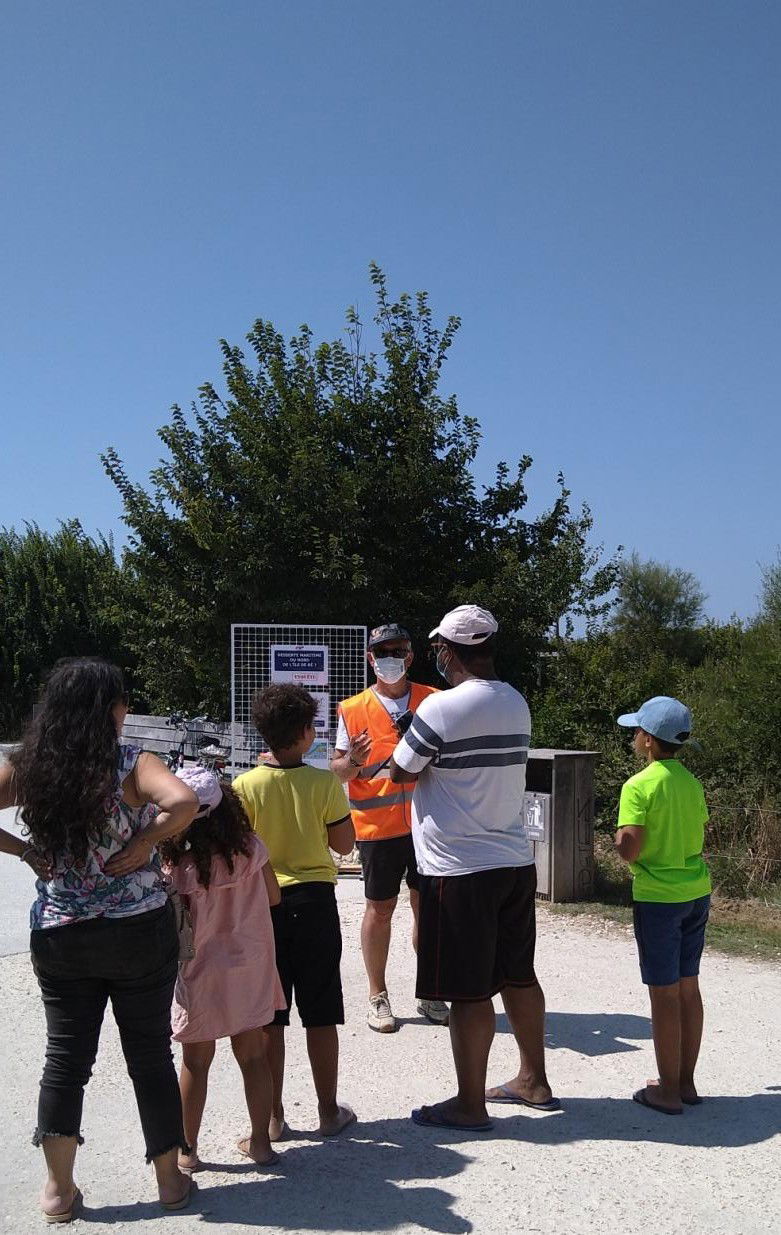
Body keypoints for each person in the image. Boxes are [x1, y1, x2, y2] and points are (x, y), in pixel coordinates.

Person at [0, 658, 199, 1221]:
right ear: (109, 710)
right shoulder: (131, 765)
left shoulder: (27, 768)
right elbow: (184, 802)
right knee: (150, 1057)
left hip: (63, 932)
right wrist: (145, 844)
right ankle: (169, 1185)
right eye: (122, 701)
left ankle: (58, 1193)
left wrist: (25, 853)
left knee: (65, 1060)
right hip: (136, 928)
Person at [389, 605, 558, 1130]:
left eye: (438, 647)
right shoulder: (517, 702)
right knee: (518, 975)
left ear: (448, 651)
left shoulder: (439, 710)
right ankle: (534, 1078)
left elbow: (400, 771)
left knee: (466, 991)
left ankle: (469, 1104)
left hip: (457, 868)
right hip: (512, 859)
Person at [233, 683, 357, 1140]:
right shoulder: (324, 783)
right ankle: (327, 1110)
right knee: (321, 1011)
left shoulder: (243, 786)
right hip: (315, 902)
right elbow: (344, 845)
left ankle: (273, 1116)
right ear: (307, 733)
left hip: (263, 907)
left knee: (271, 1016)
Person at [159, 766, 286, 1170]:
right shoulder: (251, 849)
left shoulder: (177, 865)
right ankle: (262, 1145)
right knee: (252, 1056)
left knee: (195, 1062)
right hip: (250, 966)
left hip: (200, 973)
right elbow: (273, 898)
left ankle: (187, 1150)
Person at [332, 622, 447, 1033]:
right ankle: (377, 995)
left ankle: (431, 991)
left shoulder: (434, 699)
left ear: (411, 655)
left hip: (428, 825)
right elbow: (339, 773)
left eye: (396, 650)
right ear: (369, 658)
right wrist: (354, 763)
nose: (389, 659)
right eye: (381, 652)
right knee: (380, 910)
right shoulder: (352, 708)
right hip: (378, 829)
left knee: (429, 910)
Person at [614, 696, 711, 1115]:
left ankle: (666, 1091)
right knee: (688, 987)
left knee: (663, 994)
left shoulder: (639, 785)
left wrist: (617, 841)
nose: (634, 736)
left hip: (658, 899)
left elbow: (631, 849)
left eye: (637, 730)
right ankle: (685, 1081)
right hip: (696, 892)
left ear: (650, 741)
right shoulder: (691, 782)